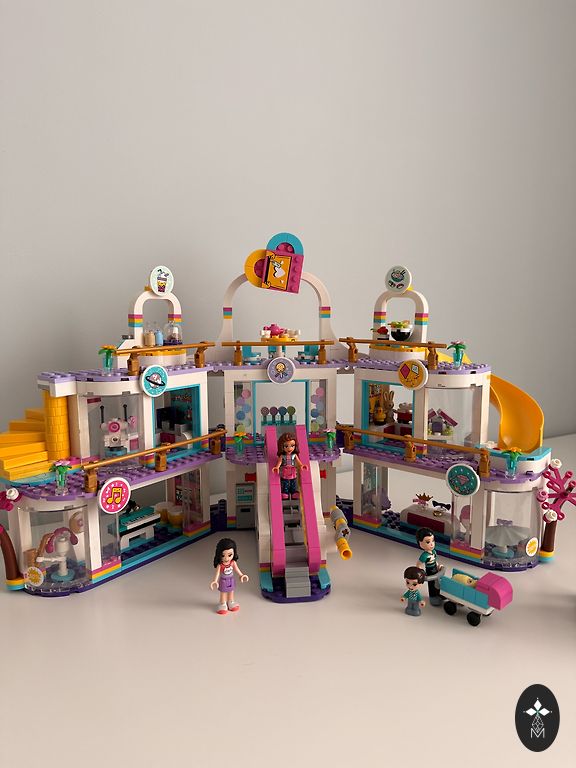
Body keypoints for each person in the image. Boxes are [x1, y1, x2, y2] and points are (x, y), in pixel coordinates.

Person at [210, 538, 249, 615]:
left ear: (234, 553)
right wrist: (215, 581)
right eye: (223, 555)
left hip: (231, 580)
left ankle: (231, 602)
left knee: (231, 591)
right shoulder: (220, 565)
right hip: (223, 581)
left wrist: (241, 575)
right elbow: (217, 573)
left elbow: (237, 569)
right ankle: (222, 603)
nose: (226, 558)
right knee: (223, 592)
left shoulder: (233, 562)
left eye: (230, 555)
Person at [272, 432, 307, 500]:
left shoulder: (294, 455)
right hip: (285, 470)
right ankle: (285, 492)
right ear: (282, 447)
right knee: (285, 482)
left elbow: (298, 462)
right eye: (286, 446)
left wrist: (301, 465)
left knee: (293, 481)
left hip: (292, 470)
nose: (289, 448)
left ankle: (293, 491)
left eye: (292, 446)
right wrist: (277, 467)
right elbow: (280, 462)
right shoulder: (282, 456)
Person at [416, 527, 444, 606]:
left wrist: (438, 566)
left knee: (438, 582)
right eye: (428, 542)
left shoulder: (434, 552)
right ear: (421, 543)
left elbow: (435, 561)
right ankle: (433, 597)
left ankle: (439, 593)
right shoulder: (424, 556)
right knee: (431, 584)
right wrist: (421, 574)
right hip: (429, 570)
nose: (432, 544)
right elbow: (418, 565)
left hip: (435, 569)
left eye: (433, 540)